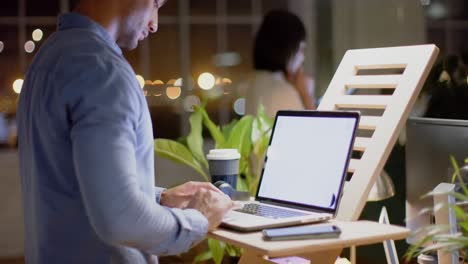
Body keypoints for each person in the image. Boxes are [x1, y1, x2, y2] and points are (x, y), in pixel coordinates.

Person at [16, 0, 234, 263]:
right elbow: (121, 216)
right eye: (155, 3)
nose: (154, 23)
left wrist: (159, 198)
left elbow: (76, 184)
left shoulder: (49, 56)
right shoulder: (103, 72)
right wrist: (199, 219)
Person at [245, 9, 316, 118]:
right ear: (287, 47)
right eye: (301, 49)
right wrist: (305, 94)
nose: (303, 57)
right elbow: (313, 130)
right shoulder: (283, 92)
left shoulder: (255, 82)